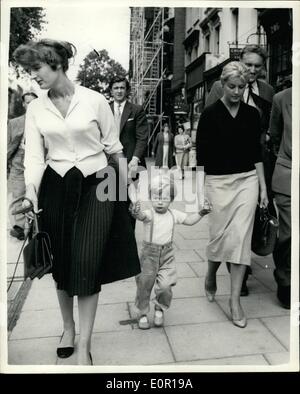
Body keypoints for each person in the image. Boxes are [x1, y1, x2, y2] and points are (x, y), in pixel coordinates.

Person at [13, 39, 140, 365]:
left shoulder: (94, 100)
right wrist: (31, 192)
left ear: (57, 64)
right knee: (63, 261)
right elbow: (35, 157)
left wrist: (127, 196)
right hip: (56, 186)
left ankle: (84, 343)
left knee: (87, 261)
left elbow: (115, 151)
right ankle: (67, 328)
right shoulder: (36, 107)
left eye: (37, 68)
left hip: (98, 184)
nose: (34, 76)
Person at [196, 61, 268, 328]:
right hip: (217, 182)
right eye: (232, 86)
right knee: (218, 238)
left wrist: (261, 187)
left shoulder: (252, 114)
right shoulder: (210, 114)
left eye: (242, 87)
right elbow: (201, 158)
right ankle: (211, 273)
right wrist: (199, 193)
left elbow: (256, 153)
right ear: (222, 85)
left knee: (240, 240)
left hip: (246, 181)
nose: (237, 92)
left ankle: (234, 299)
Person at [205, 44, 275, 296]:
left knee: (243, 232)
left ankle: (238, 289)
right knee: (222, 233)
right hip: (221, 176)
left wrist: (263, 185)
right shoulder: (215, 96)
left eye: (257, 66)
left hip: (251, 172)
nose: (252, 70)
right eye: (249, 65)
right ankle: (214, 273)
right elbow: (208, 137)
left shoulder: (266, 93)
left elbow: (264, 137)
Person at [129, 173, 211, 329]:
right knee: (144, 286)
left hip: (167, 257)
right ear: (151, 198)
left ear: (172, 199)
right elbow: (139, 216)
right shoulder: (149, 214)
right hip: (148, 257)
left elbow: (189, 220)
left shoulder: (174, 214)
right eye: (156, 198)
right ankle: (143, 313)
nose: (160, 202)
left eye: (165, 198)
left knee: (166, 285)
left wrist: (201, 213)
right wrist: (135, 210)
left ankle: (160, 307)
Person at [269, 87, 292, 309]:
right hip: (288, 174)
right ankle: (284, 278)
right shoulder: (282, 98)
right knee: (289, 232)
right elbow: (274, 135)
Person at [7, 92, 38, 240]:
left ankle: (34, 226)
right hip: (19, 159)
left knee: (35, 193)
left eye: (34, 102)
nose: (31, 105)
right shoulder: (14, 123)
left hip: (37, 159)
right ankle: (19, 228)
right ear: (24, 104)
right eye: (28, 102)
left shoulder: (44, 121)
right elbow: (7, 146)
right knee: (17, 194)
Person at [109, 76, 148, 171]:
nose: (119, 91)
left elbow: (142, 137)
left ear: (127, 91)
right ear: (111, 91)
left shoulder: (137, 110)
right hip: (110, 163)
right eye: (116, 88)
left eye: (122, 88)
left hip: (131, 163)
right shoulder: (104, 109)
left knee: (131, 186)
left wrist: (135, 158)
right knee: (111, 186)